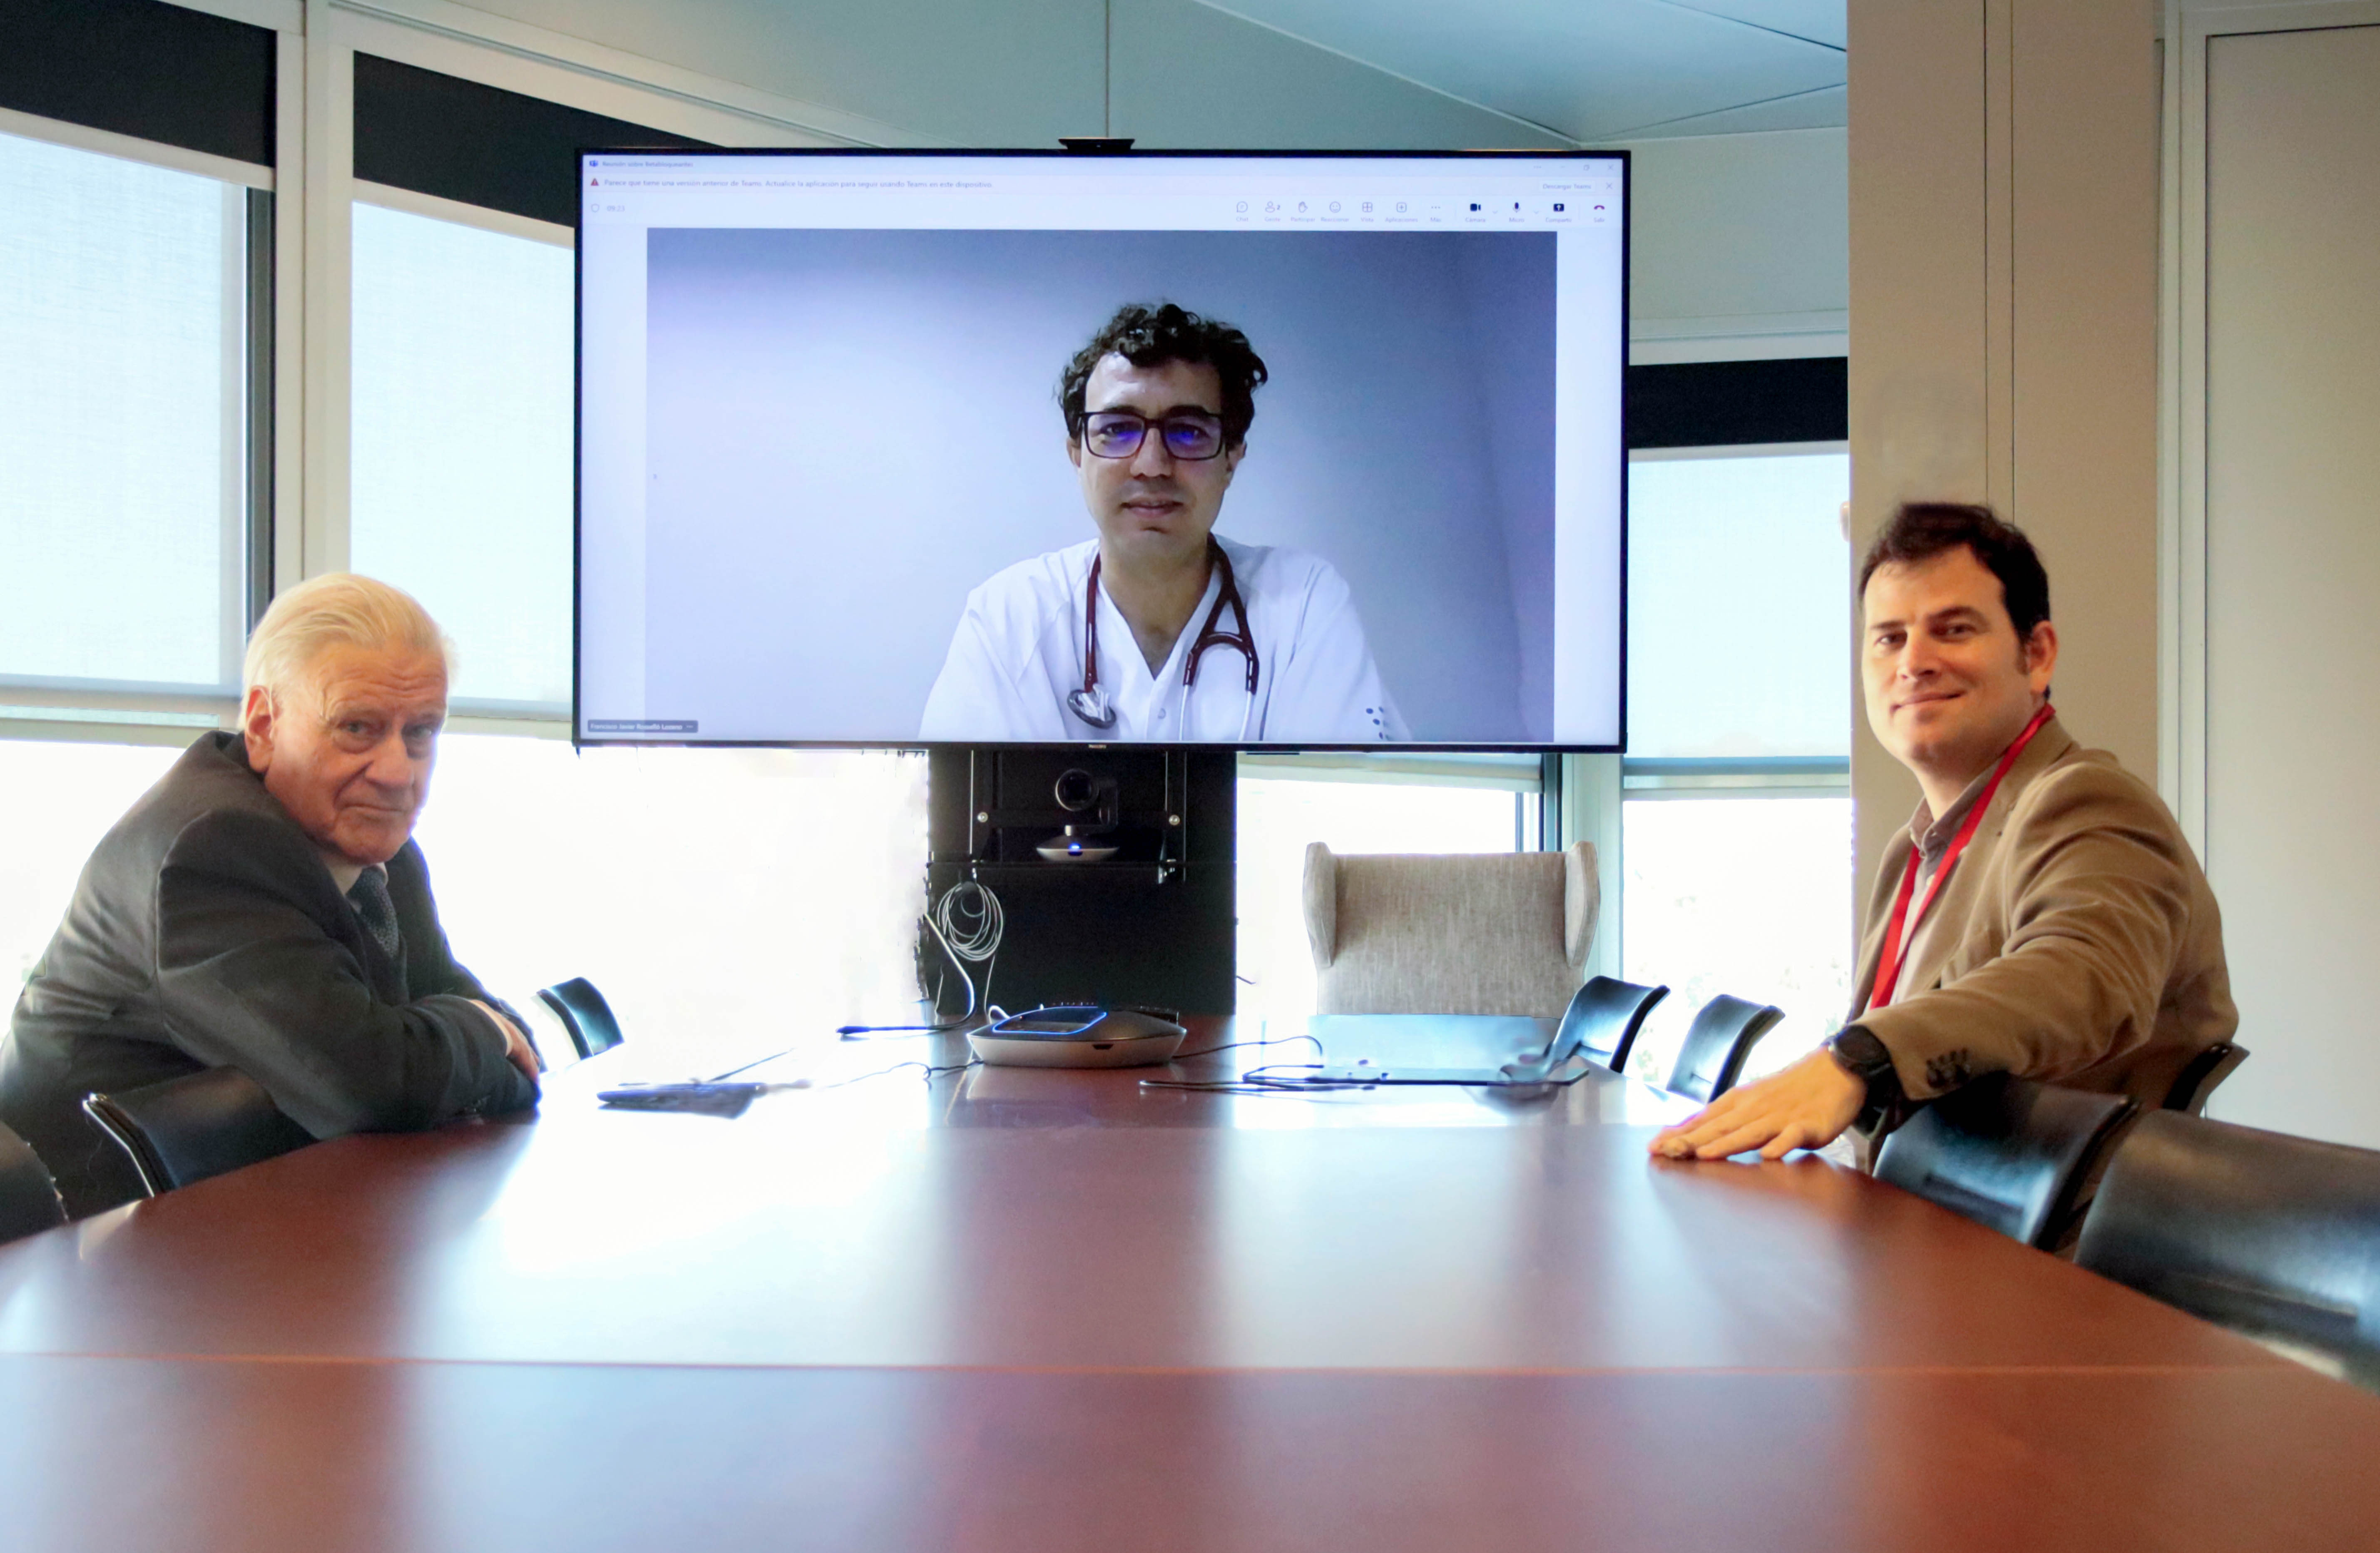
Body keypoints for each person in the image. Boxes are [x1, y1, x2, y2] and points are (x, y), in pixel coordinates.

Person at [1652, 502, 2235, 1165]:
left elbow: (2084, 971)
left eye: (1953, 630)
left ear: (2036, 654)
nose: (1914, 662)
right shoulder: (1913, 849)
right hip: (1902, 1225)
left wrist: (1860, 1059)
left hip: (2029, 1254)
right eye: (1889, 637)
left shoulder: (2087, 801)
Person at [0, 574, 541, 1216]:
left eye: (420, 732)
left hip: (255, 1219)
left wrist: (466, 1040)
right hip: (82, 1253)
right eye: (358, 727)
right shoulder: (213, 850)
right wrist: (480, 1032)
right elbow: (371, 1084)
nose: (399, 771)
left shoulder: (379, 853)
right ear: (263, 724)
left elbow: (492, 1052)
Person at [918, 301, 1408, 743]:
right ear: (1076, 453)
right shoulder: (1008, 618)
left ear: (1232, 457)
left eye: (1188, 431)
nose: (1151, 464)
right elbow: (969, 823)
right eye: (1116, 429)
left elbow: (1338, 812)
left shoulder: (1303, 605)